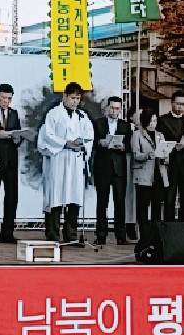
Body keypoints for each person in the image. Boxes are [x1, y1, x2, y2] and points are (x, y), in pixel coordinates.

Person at [37, 82, 94, 244]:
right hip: (59, 159)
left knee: (73, 196)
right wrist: (65, 143)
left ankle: (71, 234)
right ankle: (53, 233)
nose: (75, 101)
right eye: (72, 98)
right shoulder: (54, 114)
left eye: (78, 98)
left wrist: (82, 145)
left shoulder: (82, 116)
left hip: (75, 161)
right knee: (56, 196)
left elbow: (89, 136)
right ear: (65, 96)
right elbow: (47, 136)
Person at [92, 96, 132, 245]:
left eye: (118, 108)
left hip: (119, 168)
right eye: (113, 108)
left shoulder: (125, 125)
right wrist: (100, 143)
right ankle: (101, 235)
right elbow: (92, 142)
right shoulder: (98, 123)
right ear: (107, 108)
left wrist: (122, 147)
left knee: (120, 202)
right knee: (102, 202)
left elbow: (129, 146)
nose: (115, 111)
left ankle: (121, 235)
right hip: (103, 166)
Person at [0, 83, 22, 244]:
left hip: (11, 161)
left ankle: (7, 233)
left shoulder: (14, 113)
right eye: (3, 98)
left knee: (12, 197)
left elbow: (18, 133)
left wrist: (18, 138)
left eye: (9, 99)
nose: (6, 101)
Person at [157, 91, 184, 221]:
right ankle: (169, 226)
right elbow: (160, 142)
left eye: (183, 104)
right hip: (171, 164)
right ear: (172, 103)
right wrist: (174, 147)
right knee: (169, 197)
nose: (180, 107)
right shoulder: (163, 120)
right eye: (178, 103)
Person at [130, 109, 165, 243]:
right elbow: (135, 154)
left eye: (155, 121)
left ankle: (156, 236)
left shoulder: (160, 135)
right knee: (143, 207)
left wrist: (165, 156)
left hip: (158, 174)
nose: (153, 124)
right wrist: (148, 155)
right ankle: (144, 236)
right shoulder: (137, 134)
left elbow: (164, 153)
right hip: (144, 174)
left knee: (157, 207)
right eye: (150, 121)